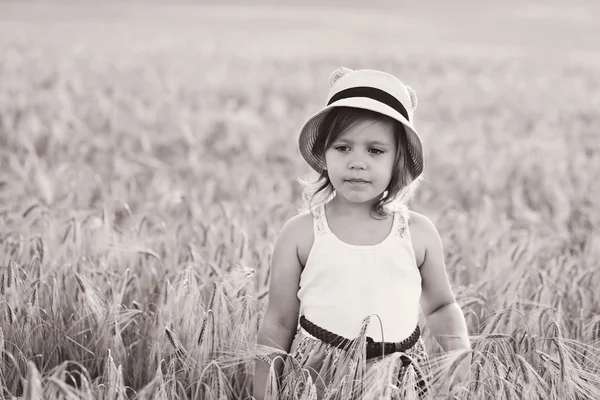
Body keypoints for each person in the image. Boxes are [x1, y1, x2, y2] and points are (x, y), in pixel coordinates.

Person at [252, 67, 471, 399]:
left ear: (398, 161)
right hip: (319, 374)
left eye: (375, 150)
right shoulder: (301, 233)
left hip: (398, 376)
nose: (357, 162)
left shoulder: (418, 234)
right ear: (324, 155)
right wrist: (263, 391)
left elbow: (441, 307)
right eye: (343, 148)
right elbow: (280, 321)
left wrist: (459, 365)